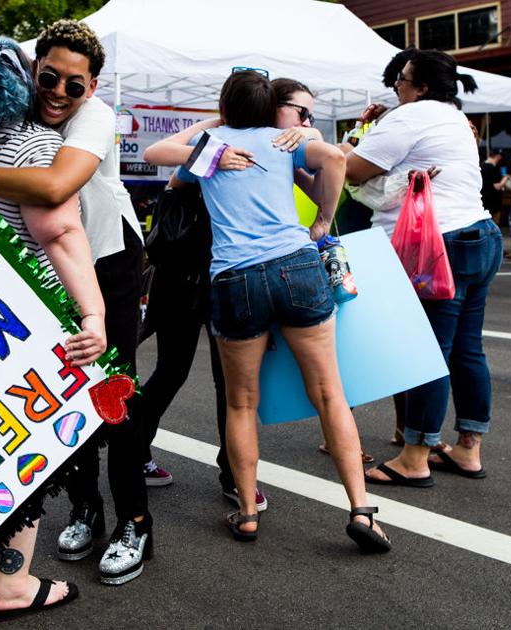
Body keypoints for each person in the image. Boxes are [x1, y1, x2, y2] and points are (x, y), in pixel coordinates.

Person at [0, 19, 152, 586]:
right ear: (32, 71)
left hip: (106, 263)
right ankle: (86, 508)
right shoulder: (16, 115)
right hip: (44, 277)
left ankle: (134, 522)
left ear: (91, 89)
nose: (59, 93)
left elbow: (50, 190)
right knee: (44, 409)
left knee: (109, 396)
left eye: (75, 85)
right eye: (49, 78)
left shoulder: (92, 117)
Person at [144, 70, 390, 552]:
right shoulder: (285, 140)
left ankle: (249, 512)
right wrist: (321, 217)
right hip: (296, 267)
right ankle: (362, 510)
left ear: (225, 105)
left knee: (241, 403)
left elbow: (156, 154)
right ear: (274, 106)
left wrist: (214, 136)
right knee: (329, 394)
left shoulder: (212, 147)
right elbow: (337, 158)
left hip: (235, 279)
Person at [342, 49, 501, 487]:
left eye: (403, 79)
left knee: (430, 351)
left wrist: (355, 136)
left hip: (440, 244)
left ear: (422, 86)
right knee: (468, 348)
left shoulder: (409, 117)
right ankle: (469, 448)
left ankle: (415, 456)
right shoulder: (452, 116)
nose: (397, 85)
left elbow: (352, 171)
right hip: (480, 233)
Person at [480, 150, 504, 225]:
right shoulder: (493, 169)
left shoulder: (481, 166)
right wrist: (505, 179)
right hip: (493, 203)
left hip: (483, 202)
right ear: (497, 157)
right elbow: (497, 187)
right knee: (493, 226)